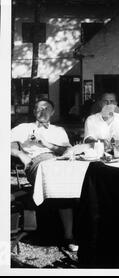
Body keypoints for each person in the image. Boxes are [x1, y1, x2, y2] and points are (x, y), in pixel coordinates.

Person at [11, 99, 78, 252]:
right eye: (39, 108)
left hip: (59, 162)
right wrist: (20, 154)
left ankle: (73, 231)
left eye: (46, 108)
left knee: (73, 182)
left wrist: (45, 143)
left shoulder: (58, 130)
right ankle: (69, 235)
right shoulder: (24, 128)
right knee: (62, 185)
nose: (42, 111)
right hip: (37, 162)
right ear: (34, 112)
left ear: (53, 112)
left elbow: (67, 151)